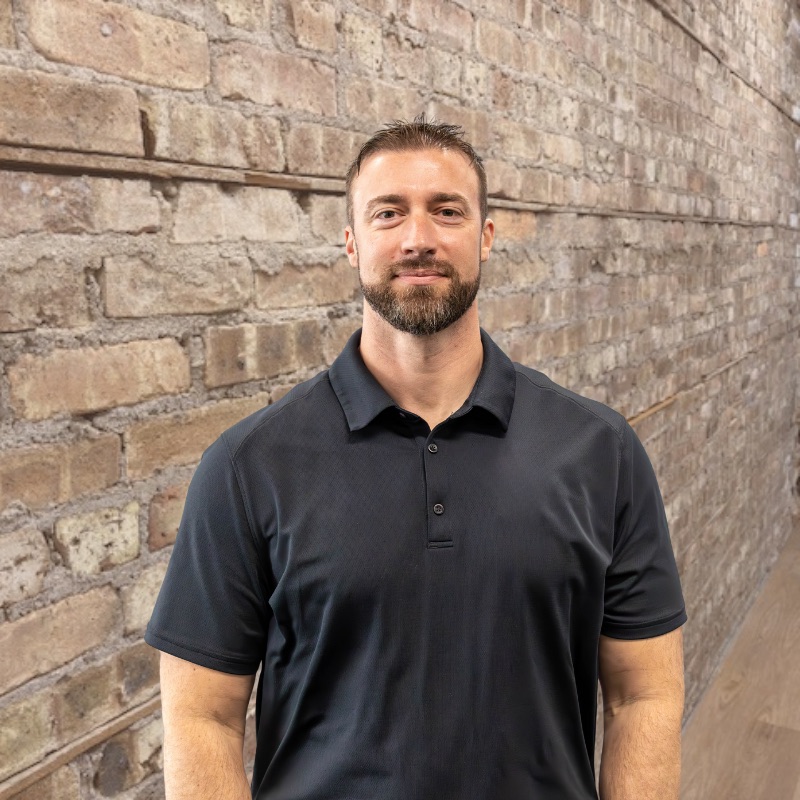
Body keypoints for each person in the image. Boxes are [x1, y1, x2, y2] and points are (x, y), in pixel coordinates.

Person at [146, 116, 686, 800]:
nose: (418, 238)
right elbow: (203, 717)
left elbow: (642, 695)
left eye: (447, 211)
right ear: (351, 241)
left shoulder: (601, 450)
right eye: (388, 212)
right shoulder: (247, 467)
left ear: (486, 236)